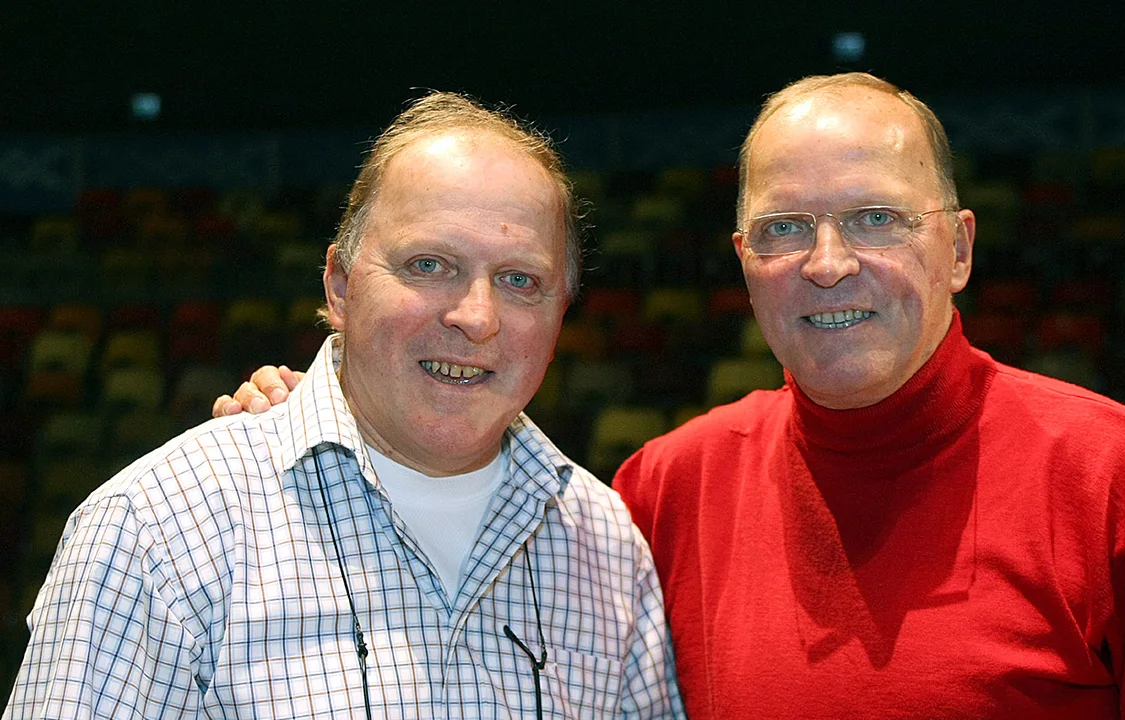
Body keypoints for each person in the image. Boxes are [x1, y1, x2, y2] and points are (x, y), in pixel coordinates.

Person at [216, 73, 1125, 718]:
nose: (828, 262)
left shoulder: (1124, 484)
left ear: (957, 247)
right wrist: (312, 421)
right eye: (783, 229)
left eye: (875, 219)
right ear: (742, 260)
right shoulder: (662, 490)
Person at [6, 93, 683, 719]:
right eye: (429, 265)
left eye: (519, 279)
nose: (477, 317)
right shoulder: (162, 528)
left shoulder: (608, 548)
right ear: (339, 287)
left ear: (561, 315)